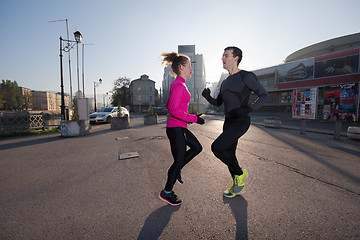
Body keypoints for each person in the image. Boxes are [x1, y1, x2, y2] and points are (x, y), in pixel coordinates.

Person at [202, 46, 269, 198]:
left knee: (217, 148)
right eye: (222, 56)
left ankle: (240, 173)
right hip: (228, 122)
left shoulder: (246, 76)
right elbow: (218, 103)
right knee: (230, 154)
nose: (222, 58)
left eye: (226, 55)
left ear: (235, 58)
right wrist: (207, 97)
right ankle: (238, 186)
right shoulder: (225, 82)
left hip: (241, 121)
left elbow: (264, 95)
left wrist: (248, 109)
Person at [159, 52, 205, 206]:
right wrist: (194, 118)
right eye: (189, 66)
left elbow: (169, 106)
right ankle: (166, 192)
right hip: (175, 128)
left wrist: (187, 116)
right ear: (181, 67)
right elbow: (173, 110)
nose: (191, 69)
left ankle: (177, 168)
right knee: (178, 160)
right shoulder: (179, 85)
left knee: (197, 148)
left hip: (178, 126)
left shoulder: (179, 84)